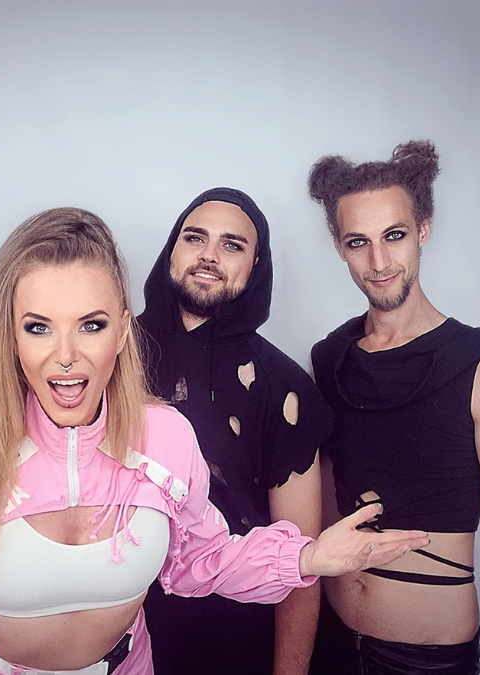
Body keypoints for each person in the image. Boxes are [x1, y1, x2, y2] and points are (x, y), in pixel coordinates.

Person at [0, 208, 428, 675]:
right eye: (39, 327)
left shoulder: (166, 436)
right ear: (11, 336)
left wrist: (309, 555)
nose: (66, 357)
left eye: (90, 325)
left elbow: (199, 559)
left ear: (122, 330)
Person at [307, 141, 480, 675]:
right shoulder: (328, 359)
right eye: (358, 242)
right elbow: (314, 514)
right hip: (331, 639)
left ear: (423, 230)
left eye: (394, 235)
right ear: (339, 247)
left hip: (426, 660)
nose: (379, 262)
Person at [138, 188, 333, 674]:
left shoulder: (284, 386)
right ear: (171, 250)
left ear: (255, 265)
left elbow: (302, 557)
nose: (209, 255)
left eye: (232, 244)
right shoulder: (109, 354)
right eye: (195, 238)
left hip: (234, 643)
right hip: (112, 638)